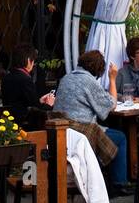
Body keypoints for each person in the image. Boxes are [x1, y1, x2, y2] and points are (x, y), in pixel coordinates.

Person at [53, 50, 128, 187]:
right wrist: (112, 79)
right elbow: (111, 105)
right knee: (121, 137)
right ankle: (119, 183)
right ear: (99, 69)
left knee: (109, 133)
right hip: (81, 132)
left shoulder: (66, 78)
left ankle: (106, 178)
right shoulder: (89, 81)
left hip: (63, 131)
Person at [2, 44, 55, 121]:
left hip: (10, 120)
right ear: (28, 60)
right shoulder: (25, 79)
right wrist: (49, 105)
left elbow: (24, 101)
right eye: (33, 61)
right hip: (25, 123)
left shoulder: (7, 77)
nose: (33, 64)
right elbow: (35, 108)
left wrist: (40, 100)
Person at [116, 37, 139, 101]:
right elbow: (112, 93)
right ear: (132, 56)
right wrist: (123, 97)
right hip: (125, 109)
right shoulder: (122, 73)